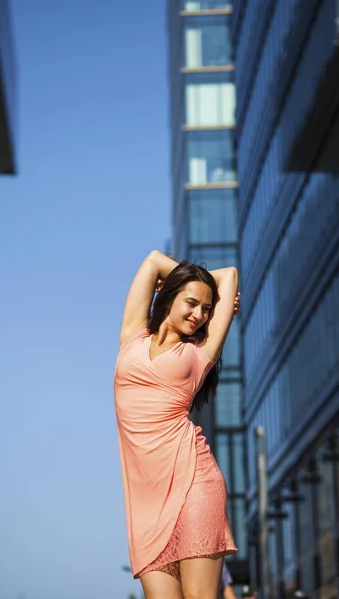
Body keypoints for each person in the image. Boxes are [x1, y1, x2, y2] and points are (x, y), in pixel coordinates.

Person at [115, 250, 240, 599]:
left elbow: (229, 275)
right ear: (167, 296)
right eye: (191, 303)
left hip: (193, 482)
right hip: (145, 500)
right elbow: (153, 259)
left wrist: (196, 285)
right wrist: (187, 278)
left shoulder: (199, 354)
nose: (199, 314)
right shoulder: (132, 338)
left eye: (207, 309)